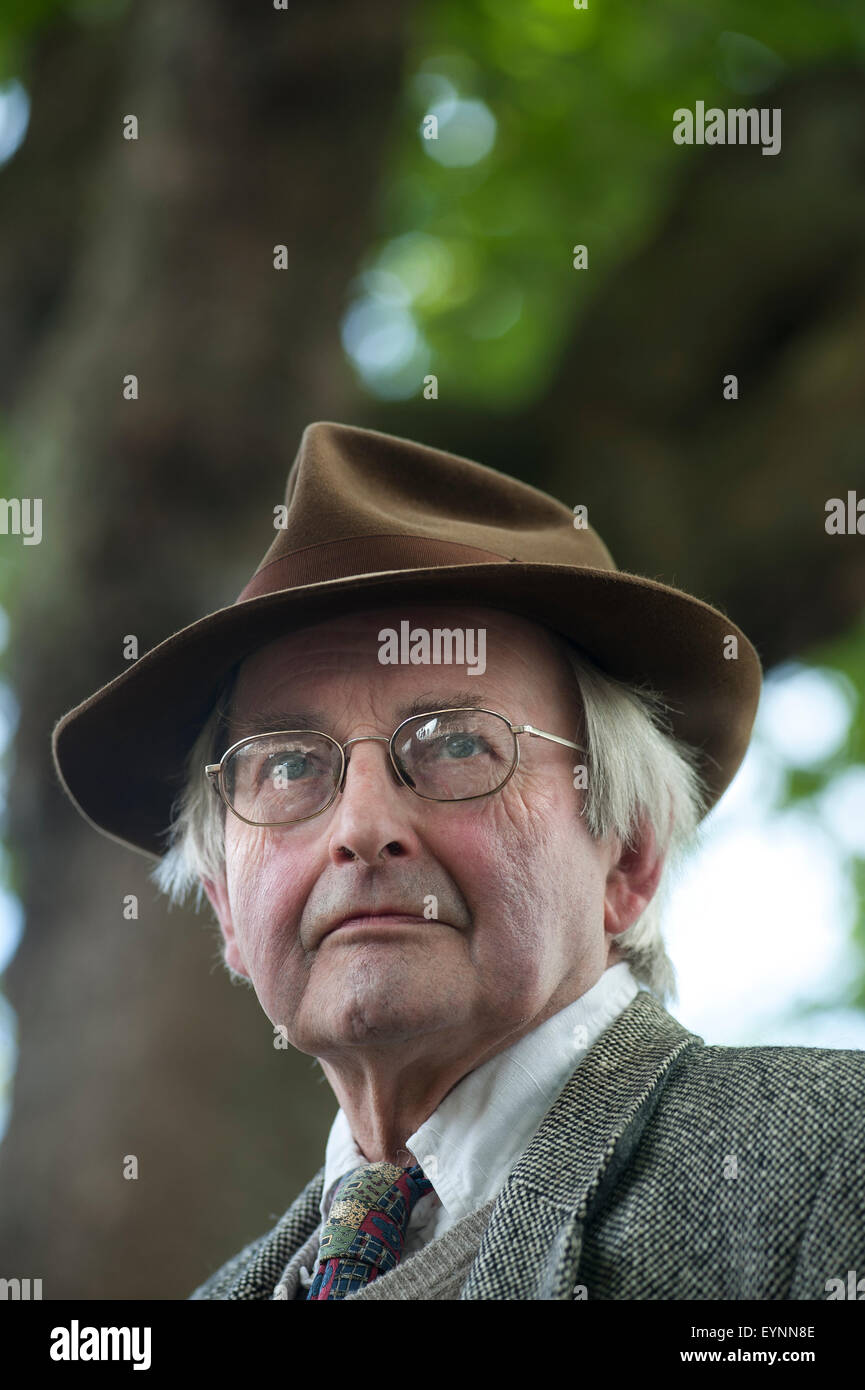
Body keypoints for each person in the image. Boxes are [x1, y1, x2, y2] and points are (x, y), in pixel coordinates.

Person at [52, 421, 865, 1301]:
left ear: (626, 858)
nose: (360, 826)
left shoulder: (828, 1163)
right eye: (288, 764)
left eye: (456, 745)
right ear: (223, 907)